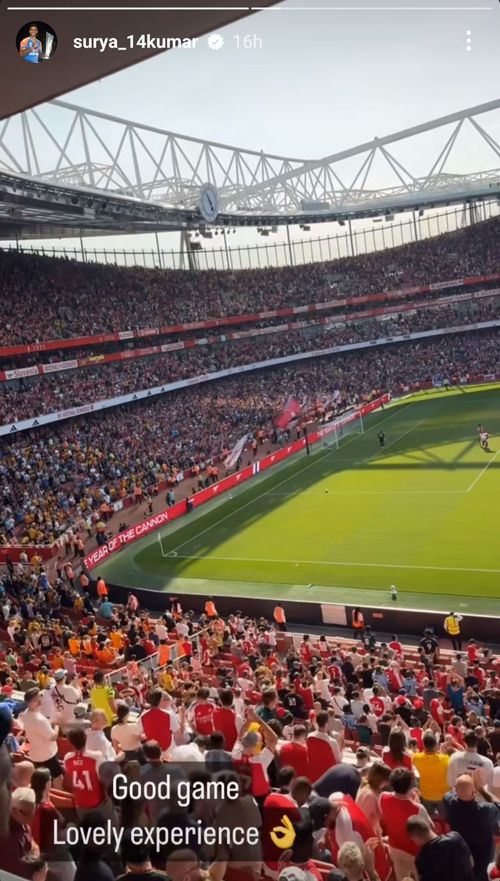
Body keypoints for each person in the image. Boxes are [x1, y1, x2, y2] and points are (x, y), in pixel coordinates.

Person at [444, 773, 500, 881]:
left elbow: (449, 794)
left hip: (462, 850)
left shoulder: (448, 802)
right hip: (483, 853)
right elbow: (498, 804)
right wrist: (481, 789)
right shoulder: (486, 810)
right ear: (474, 791)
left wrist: (461, 784)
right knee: (482, 873)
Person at [379, 767, 432, 881]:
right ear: (410, 785)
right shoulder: (418, 808)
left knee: (400, 877)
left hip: (394, 847)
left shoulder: (382, 797)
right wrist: (416, 801)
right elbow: (429, 828)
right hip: (413, 853)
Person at [407, 814, 474, 881]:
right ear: (430, 827)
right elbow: (471, 862)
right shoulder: (456, 838)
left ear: (414, 838)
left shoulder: (421, 860)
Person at [19, 688, 63, 787]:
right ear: (35, 701)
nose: (41, 699)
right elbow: (53, 737)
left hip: (35, 755)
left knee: (43, 780)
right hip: (47, 755)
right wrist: (57, 725)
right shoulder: (39, 720)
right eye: (40, 697)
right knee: (57, 777)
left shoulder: (26, 714)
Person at [412, 731, 450, 820]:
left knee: (429, 818)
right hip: (442, 797)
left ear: (424, 745)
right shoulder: (446, 759)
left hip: (425, 796)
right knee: (445, 819)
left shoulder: (415, 758)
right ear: (436, 745)